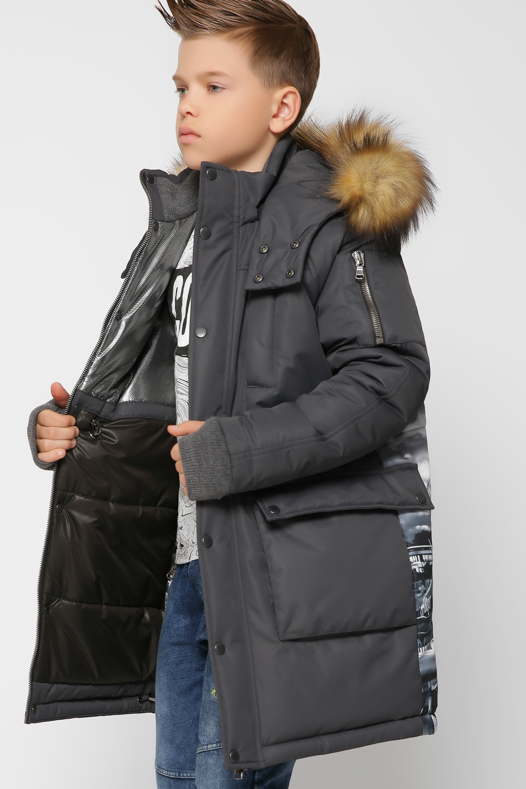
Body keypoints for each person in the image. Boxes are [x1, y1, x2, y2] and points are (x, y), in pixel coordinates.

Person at [25, 1, 439, 787]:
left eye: (215, 86)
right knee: (179, 778)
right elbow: (154, 381)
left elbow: (390, 375)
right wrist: (65, 427)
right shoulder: (184, 223)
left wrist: (235, 452)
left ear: (282, 106)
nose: (188, 104)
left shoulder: (333, 216)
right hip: (185, 563)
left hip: (269, 571)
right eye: (181, 86)